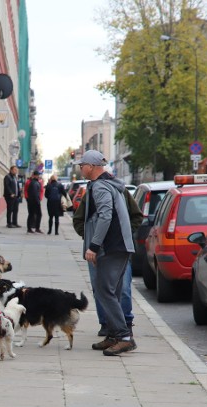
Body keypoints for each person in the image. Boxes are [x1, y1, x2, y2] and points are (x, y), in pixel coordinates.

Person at [71, 149, 136, 356]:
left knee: (104, 290)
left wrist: (94, 246)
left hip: (112, 247)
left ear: (92, 166)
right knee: (112, 291)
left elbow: (105, 216)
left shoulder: (100, 187)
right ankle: (114, 335)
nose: (81, 168)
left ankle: (124, 337)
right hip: (119, 246)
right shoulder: (109, 184)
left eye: (82, 165)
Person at [75, 179, 142, 337]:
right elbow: (78, 220)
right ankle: (106, 324)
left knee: (123, 288)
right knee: (99, 288)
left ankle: (125, 324)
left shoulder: (121, 192)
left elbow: (136, 216)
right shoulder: (90, 193)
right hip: (96, 250)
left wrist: (122, 234)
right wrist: (90, 237)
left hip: (117, 248)